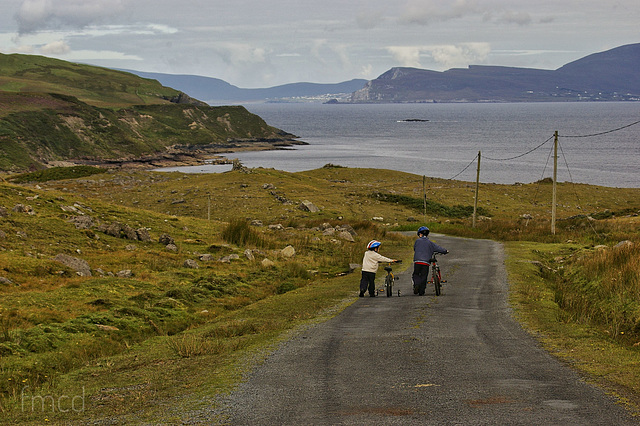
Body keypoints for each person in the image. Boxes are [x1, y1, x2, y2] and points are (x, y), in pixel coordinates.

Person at [412, 226, 448, 296]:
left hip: (417, 261)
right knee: (424, 276)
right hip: (426, 262)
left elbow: (415, 248)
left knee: (416, 274)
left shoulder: (417, 241)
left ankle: (416, 284)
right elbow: (439, 248)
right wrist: (445, 251)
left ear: (420, 234)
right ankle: (421, 291)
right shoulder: (430, 243)